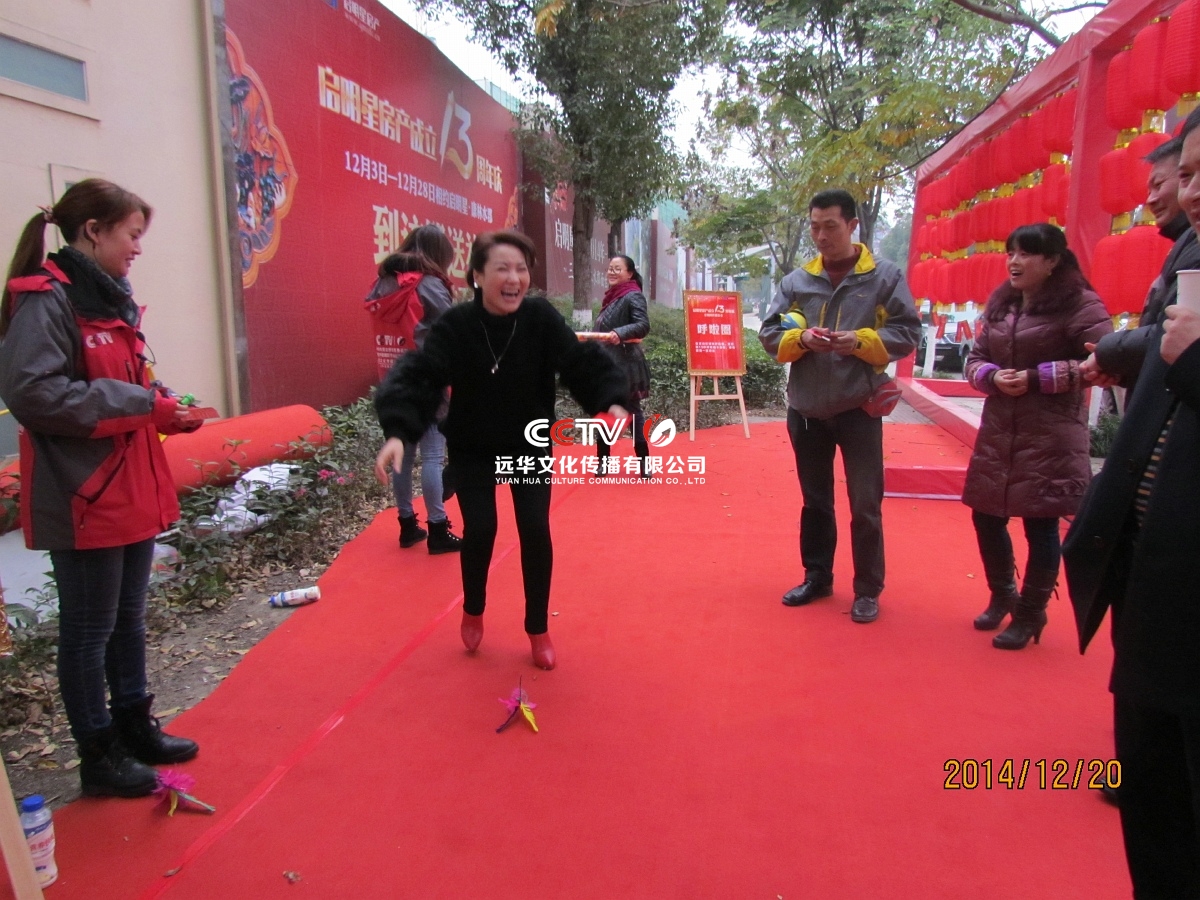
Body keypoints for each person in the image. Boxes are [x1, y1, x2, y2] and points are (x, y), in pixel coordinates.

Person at [0, 179, 200, 798]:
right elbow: (34, 393)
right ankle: (99, 753)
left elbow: (122, 383)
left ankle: (135, 724)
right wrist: (141, 404)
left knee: (127, 619)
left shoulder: (109, 298)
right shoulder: (48, 299)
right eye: (132, 235)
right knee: (88, 631)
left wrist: (163, 405)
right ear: (93, 230)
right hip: (83, 491)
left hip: (127, 482)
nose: (138, 248)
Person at [374, 231, 628, 670]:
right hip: (473, 445)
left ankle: (537, 629)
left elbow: (578, 361)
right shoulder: (456, 325)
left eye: (521, 269)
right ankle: (473, 609)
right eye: (502, 269)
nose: (514, 278)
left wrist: (611, 398)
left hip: (527, 443)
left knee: (535, 529)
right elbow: (422, 374)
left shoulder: (539, 318)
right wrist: (398, 430)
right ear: (477, 276)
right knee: (482, 529)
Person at [1063, 105, 1200, 898]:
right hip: (1152, 569)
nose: (1182, 192)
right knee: (1154, 801)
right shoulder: (1190, 259)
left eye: (1186, 176)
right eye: (1187, 173)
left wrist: (1147, 351)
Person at [759, 189, 921, 624]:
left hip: (858, 408)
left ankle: (867, 590)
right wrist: (801, 338)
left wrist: (860, 341)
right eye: (814, 227)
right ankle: (817, 577)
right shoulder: (797, 281)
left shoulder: (883, 278)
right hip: (806, 409)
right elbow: (769, 333)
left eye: (830, 226)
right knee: (815, 501)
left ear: (852, 226)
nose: (821, 236)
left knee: (865, 503)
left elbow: (908, 332)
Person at [962, 223, 1111, 649]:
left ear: (1052, 261)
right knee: (986, 515)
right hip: (1000, 431)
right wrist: (991, 376)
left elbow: (1103, 362)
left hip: (1051, 435)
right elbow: (975, 359)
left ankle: (1031, 612)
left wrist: (1035, 378)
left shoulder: (1081, 304)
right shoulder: (1002, 304)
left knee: (1041, 523)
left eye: (1025, 254)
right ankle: (1003, 595)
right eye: (1011, 252)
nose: (1014, 261)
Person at [367, 224, 462, 554]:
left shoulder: (382, 283)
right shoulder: (430, 284)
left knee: (403, 457)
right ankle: (438, 528)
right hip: (427, 378)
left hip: (394, 378)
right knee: (433, 456)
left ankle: (407, 525)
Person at [1082, 137, 1200, 397]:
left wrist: (1109, 352)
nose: (1151, 200)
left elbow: (1172, 333)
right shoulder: (1185, 242)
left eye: (1159, 185)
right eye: (1186, 177)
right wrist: (1124, 368)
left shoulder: (1193, 245)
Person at [594, 255, 651, 476]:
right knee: (604, 411)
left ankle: (644, 463)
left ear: (629, 273)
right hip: (607, 363)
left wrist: (620, 333)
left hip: (626, 363)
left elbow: (643, 325)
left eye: (617, 269)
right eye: (610, 268)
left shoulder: (632, 295)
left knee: (633, 412)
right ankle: (603, 462)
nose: (612, 272)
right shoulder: (613, 297)